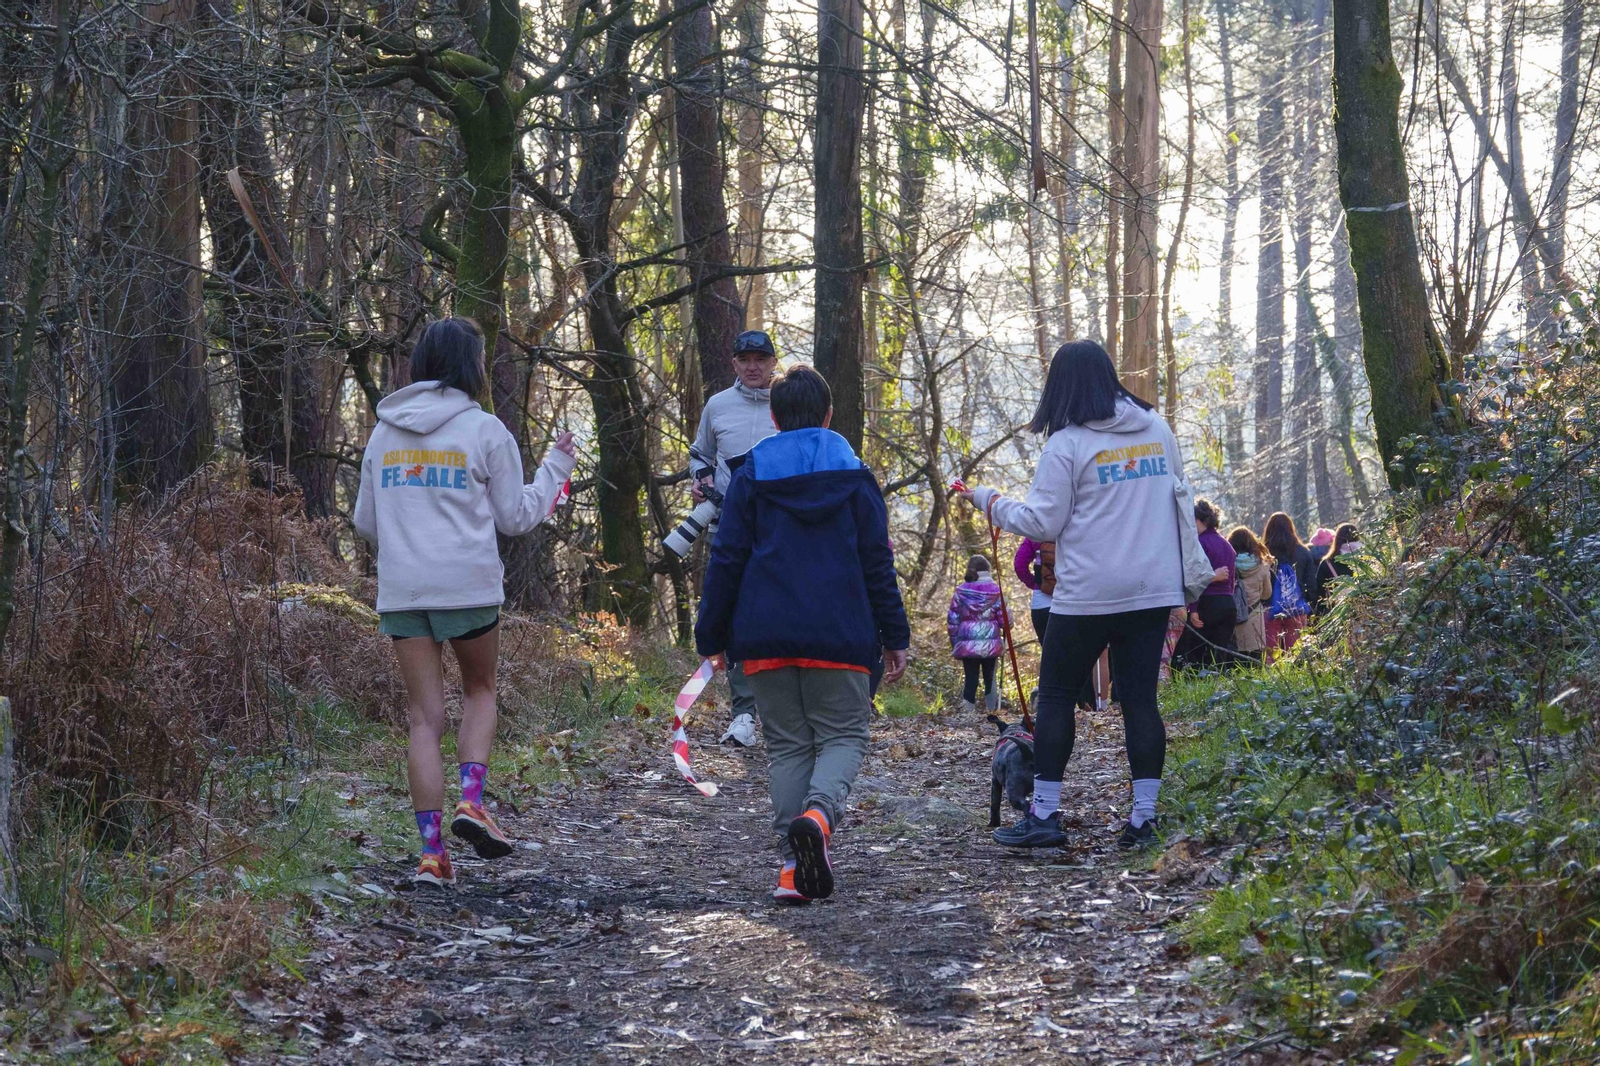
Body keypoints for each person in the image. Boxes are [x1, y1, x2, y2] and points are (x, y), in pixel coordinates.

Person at [353, 318, 577, 888]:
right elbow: (516, 517)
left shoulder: (384, 434)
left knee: (422, 719)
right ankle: (472, 803)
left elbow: (364, 523)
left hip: (403, 593)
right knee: (480, 690)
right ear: (472, 365)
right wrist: (556, 467)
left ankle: (432, 857)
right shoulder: (484, 430)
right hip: (468, 588)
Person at [957, 340, 1188, 850]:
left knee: (1058, 695)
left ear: (1059, 387)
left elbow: (1042, 522)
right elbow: (1178, 499)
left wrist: (989, 502)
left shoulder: (1067, 445)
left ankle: (1044, 816)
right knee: (1141, 700)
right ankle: (1144, 820)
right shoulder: (1157, 429)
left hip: (1086, 594)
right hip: (1152, 589)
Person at [694, 365, 910, 904]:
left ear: (773, 417)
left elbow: (727, 559)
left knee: (787, 747)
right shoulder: (856, 479)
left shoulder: (750, 477)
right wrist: (894, 634)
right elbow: (876, 563)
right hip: (840, 636)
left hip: (764, 638)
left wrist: (710, 634)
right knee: (843, 736)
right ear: (829, 415)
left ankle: (792, 871)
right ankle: (818, 816)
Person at [688, 329, 781, 747]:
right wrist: (702, 480)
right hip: (728, 523)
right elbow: (700, 452)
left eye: (761, 358)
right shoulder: (718, 405)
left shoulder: (787, 401)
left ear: (773, 362)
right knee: (736, 615)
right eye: (745, 359)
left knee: (779, 614)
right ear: (734, 364)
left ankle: (782, 712)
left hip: (783, 526)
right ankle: (743, 713)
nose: (753, 366)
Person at [1015, 539, 1106, 710]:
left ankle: (1054, 707)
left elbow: (1020, 565)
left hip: (1041, 605)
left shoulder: (1034, 536)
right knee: (1081, 655)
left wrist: (1036, 584)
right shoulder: (1072, 532)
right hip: (1071, 602)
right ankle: (1086, 704)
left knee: (1051, 657)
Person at [1172, 499, 1237, 669]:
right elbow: (1231, 580)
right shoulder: (1227, 545)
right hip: (1228, 604)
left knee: (1196, 653)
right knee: (1220, 655)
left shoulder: (1199, 544)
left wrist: (1193, 609)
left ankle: (1199, 690)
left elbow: (1195, 578)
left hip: (1207, 604)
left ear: (1198, 521)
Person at [948, 554, 1007, 713]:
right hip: (991, 644)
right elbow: (1004, 621)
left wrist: (956, 643)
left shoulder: (961, 591)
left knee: (971, 678)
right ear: (988, 571)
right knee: (990, 678)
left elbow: (953, 620)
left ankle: (968, 713)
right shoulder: (996, 591)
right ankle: (991, 711)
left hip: (967, 644)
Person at [1261, 511, 1315, 660]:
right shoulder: (1303, 552)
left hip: (1269, 607)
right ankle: (1295, 680)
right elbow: (1311, 584)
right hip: (1296, 609)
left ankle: (1271, 681)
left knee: (1271, 654)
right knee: (1295, 653)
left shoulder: (1264, 552)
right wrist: (1309, 605)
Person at [1227, 526, 1275, 662]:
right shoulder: (1262, 567)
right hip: (1254, 616)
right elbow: (1267, 594)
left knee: (1235, 660)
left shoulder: (1228, 565)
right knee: (1255, 659)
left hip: (1233, 616)